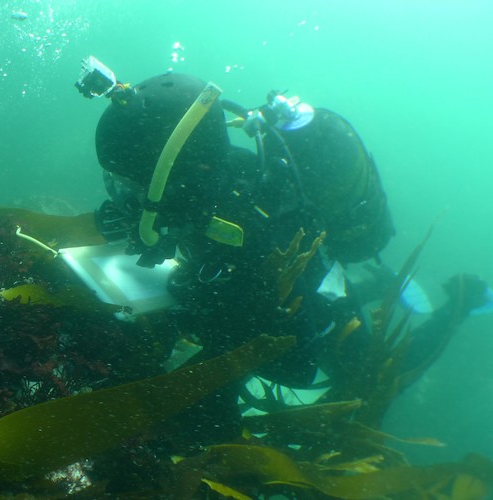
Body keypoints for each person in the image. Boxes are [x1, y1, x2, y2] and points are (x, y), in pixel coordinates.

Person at [77, 65, 489, 445]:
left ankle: (460, 301)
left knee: (380, 374)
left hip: (309, 304)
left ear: (184, 171)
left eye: (131, 183)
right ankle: (378, 282)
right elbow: (178, 239)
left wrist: (195, 306)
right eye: (115, 181)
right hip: (273, 281)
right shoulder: (203, 189)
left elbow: (285, 358)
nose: (121, 194)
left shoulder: (251, 227)